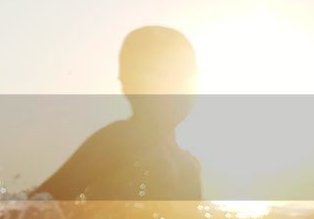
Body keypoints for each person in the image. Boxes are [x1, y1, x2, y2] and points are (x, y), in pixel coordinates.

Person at [35, 26, 201, 201]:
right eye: (161, 76)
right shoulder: (118, 140)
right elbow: (37, 204)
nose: (175, 88)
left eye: (185, 74)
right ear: (128, 85)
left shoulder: (189, 166)